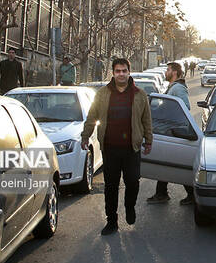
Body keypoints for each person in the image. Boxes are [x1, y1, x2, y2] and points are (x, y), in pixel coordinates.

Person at [81, 58, 153, 235]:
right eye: (118, 71)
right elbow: (92, 117)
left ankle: (129, 206)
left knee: (132, 182)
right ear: (113, 73)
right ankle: (111, 221)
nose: (121, 74)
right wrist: (85, 136)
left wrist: (148, 140)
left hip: (131, 148)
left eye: (124, 71)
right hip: (110, 148)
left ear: (129, 72)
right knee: (111, 186)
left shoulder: (139, 94)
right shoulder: (102, 94)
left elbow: (146, 120)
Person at [147, 61, 194, 205]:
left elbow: (185, 106)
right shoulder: (173, 87)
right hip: (170, 131)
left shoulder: (178, 88)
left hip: (175, 132)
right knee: (167, 162)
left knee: (174, 163)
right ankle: (161, 193)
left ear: (174, 72)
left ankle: (191, 194)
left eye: (168, 70)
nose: (166, 72)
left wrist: (168, 114)